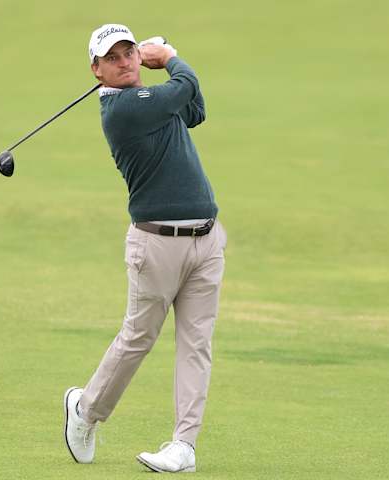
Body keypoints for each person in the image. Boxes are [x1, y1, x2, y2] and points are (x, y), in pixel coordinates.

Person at [63, 23, 226, 474]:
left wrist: (171, 69)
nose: (124, 61)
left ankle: (184, 446)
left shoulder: (153, 101)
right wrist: (170, 55)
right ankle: (86, 411)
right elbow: (185, 86)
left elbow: (195, 110)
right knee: (138, 338)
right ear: (96, 70)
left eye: (130, 52)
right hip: (155, 245)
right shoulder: (123, 110)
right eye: (112, 57)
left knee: (197, 344)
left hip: (206, 239)